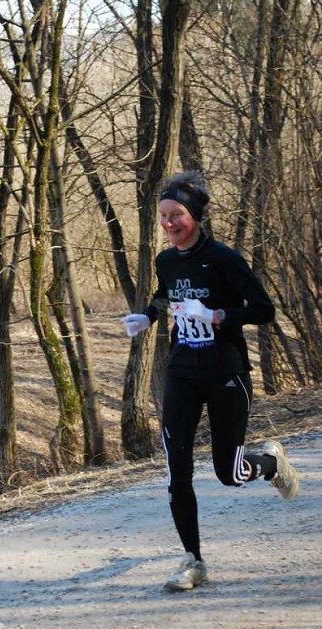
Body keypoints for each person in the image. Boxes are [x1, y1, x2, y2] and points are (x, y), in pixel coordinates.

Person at [122, 170, 299, 592]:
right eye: (163, 216)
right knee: (177, 469)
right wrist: (147, 316)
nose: (168, 224)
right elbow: (165, 293)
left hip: (225, 371)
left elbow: (264, 310)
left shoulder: (224, 259)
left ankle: (271, 462)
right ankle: (193, 561)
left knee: (229, 473)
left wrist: (218, 315)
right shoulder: (166, 260)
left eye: (176, 215)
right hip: (183, 370)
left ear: (195, 217)